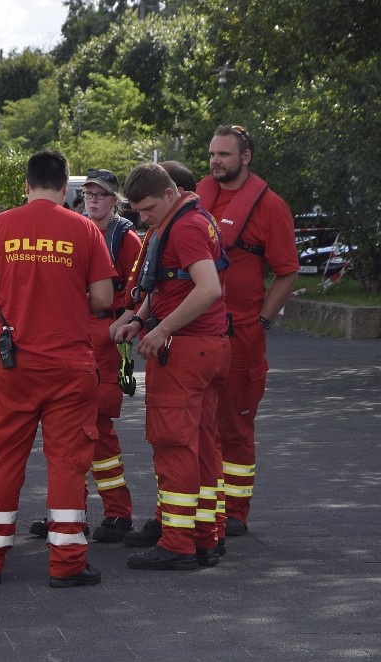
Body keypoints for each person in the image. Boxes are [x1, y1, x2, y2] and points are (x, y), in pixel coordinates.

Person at [0, 150, 115, 587]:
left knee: (4, 458)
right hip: (71, 366)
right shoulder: (84, 229)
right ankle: (67, 563)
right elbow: (104, 299)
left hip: (15, 365)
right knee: (68, 463)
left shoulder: (1, 226)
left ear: (26, 185)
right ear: (65, 186)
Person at [114, 162, 231, 570]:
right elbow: (169, 284)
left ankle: (178, 543)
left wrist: (159, 329)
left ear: (168, 193)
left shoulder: (184, 227)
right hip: (207, 348)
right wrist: (139, 319)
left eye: (146, 209)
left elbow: (208, 288)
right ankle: (206, 536)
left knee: (175, 446)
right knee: (202, 445)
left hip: (186, 351)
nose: (142, 218)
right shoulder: (191, 218)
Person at [29, 168, 143, 543]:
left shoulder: (125, 239)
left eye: (102, 194)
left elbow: (141, 292)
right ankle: (66, 513)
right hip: (74, 334)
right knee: (64, 433)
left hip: (104, 333)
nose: (93, 199)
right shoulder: (77, 229)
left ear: (115, 200)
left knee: (98, 430)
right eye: (89, 194)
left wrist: (119, 326)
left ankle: (117, 512)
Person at [196, 125, 298, 536]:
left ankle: (235, 512)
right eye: (212, 154)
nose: (216, 161)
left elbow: (287, 273)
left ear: (246, 156)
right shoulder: (197, 198)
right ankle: (204, 507)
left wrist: (262, 320)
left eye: (224, 154)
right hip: (198, 334)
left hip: (242, 335)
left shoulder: (270, 207)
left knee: (234, 427)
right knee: (197, 424)